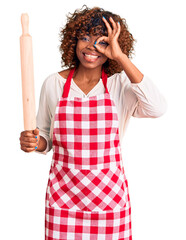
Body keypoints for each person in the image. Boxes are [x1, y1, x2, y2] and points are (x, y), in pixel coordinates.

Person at [19, 5, 167, 240]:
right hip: (63, 201)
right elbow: (45, 137)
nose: (91, 47)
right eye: (85, 38)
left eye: (102, 41)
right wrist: (33, 142)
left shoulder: (120, 85)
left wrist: (121, 57)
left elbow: (157, 107)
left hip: (109, 201)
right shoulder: (54, 84)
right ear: (73, 41)